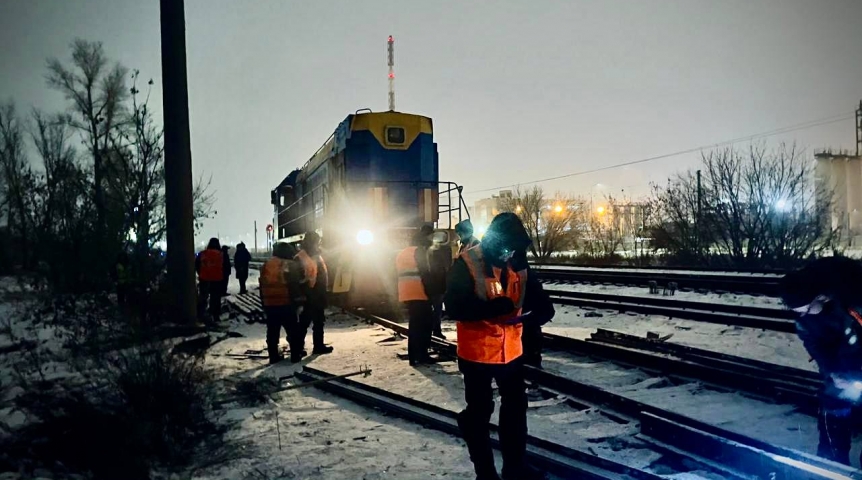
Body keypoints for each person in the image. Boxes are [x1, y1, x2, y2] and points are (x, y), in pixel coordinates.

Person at [445, 213, 552, 480]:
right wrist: (487, 309)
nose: (508, 254)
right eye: (504, 249)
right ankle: (486, 473)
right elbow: (454, 306)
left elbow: (535, 296)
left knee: (515, 409)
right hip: (477, 352)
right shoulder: (466, 263)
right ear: (493, 243)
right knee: (480, 412)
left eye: (513, 249)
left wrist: (541, 312)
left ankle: (515, 467)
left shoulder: (518, 260)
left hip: (511, 351)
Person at [779, 256, 862, 465]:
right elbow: (816, 347)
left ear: (821, 297)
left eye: (806, 309)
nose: (803, 315)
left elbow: (852, 339)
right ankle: (831, 462)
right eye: (797, 312)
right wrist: (833, 373)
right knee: (834, 403)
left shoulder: (854, 299)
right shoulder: (805, 318)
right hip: (845, 360)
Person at [259, 242, 304, 364]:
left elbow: (261, 284)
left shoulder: (266, 265)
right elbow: (294, 286)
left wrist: (263, 302)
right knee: (292, 330)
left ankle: (273, 356)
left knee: (272, 332)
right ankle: (295, 355)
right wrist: (299, 302)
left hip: (270, 304)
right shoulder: (289, 265)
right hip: (286, 303)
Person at [397, 227, 435, 366]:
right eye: (431, 237)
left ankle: (413, 356)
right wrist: (430, 293)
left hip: (407, 292)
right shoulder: (419, 252)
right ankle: (422, 355)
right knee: (424, 325)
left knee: (414, 326)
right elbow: (425, 274)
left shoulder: (403, 252)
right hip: (420, 292)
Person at [513, 250, 555, 368]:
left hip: (520, 341)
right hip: (524, 340)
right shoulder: (524, 271)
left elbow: (546, 309)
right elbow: (547, 310)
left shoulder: (517, 271)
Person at [295, 232, 333, 355]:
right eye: (317, 242)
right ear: (312, 242)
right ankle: (298, 348)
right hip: (308, 296)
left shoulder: (316, 255)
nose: (318, 244)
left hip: (318, 294)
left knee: (318, 321)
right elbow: (298, 279)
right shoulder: (300, 257)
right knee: (304, 323)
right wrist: (303, 295)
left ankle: (318, 346)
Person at [428, 229, 453, 339]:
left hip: (431, 284)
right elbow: (446, 268)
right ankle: (436, 330)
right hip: (438, 284)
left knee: (433, 308)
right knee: (437, 308)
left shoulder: (427, 252)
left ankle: (433, 330)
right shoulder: (445, 250)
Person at [195, 238, 225, 323]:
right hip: (217, 279)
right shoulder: (220, 254)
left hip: (204, 278)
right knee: (215, 298)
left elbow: (197, 264)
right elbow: (225, 267)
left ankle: (201, 314)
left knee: (203, 297)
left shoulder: (202, 254)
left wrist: (200, 273)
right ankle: (215, 316)